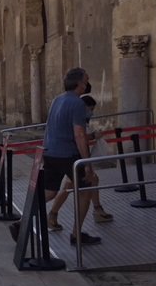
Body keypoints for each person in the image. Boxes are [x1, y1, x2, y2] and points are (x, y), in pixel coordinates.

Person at [40, 70, 101, 245]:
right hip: (68, 155)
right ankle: (77, 234)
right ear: (79, 84)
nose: (87, 84)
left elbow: (50, 127)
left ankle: (22, 221)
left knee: (49, 192)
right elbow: (79, 135)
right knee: (85, 191)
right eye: (86, 81)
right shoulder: (77, 104)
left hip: (50, 152)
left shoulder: (57, 100)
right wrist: (87, 163)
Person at [48, 95, 113, 226]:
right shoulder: (76, 115)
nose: (91, 112)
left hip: (70, 157)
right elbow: (78, 136)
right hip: (73, 157)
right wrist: (93, 138)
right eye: (90, 109)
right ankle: (58, 219)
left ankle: (97, 210)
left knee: (90, 180)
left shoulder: (67, 110)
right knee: (72, 188)